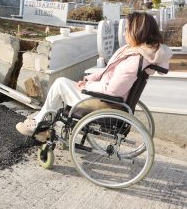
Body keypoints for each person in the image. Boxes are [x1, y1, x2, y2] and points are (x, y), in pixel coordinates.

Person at [16, 12, 173, 141]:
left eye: (127, 29)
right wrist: (89, 79)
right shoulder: (135, 52)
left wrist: (88, 86)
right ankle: (42, 126)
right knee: (64, 85)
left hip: (107, 103)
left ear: (138, 31)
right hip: (104, 96)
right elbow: (109, 73)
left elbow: (114, 90)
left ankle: (39, 125)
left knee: (59, 83)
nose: (124, 33)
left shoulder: (135, 59)